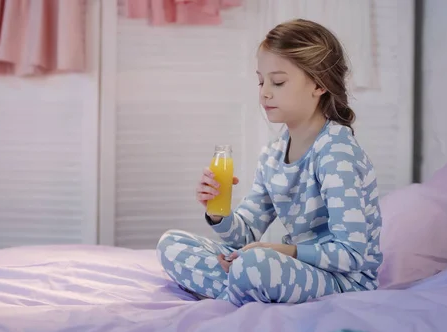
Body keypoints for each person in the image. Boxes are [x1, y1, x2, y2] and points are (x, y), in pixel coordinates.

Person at [157, 18, 383, 307]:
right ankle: (243, 287)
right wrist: (218, 210)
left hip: (344, 281)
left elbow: (352, 254)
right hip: (294, 271)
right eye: (261, 81)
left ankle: (236, 291)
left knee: (256, 264)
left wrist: (280, 251)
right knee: (172, 244)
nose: (264, 92)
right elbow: (245, 234)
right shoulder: (273, 154)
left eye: (278, 82)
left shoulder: (336, 153)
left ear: (319, 84)